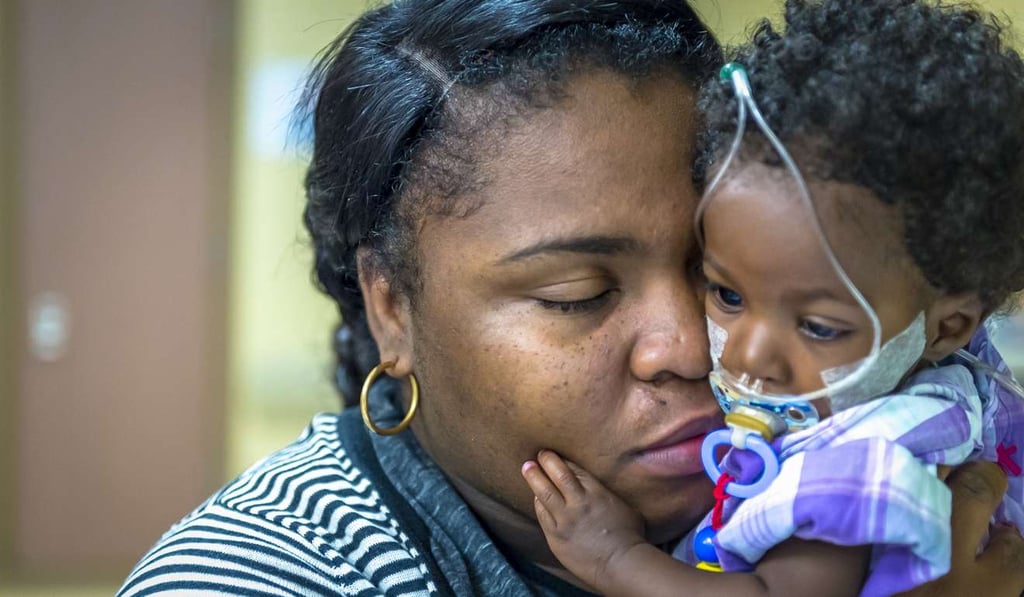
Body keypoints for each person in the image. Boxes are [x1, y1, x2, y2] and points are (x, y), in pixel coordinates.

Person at [118, 0, 1024, 595]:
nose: (692, 346)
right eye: (577, 292)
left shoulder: (854, 460)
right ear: (390, 306)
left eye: (715, 278)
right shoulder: (269, 575)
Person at [520, 0, 1024, 596]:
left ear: (946, 328)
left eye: (817, 326)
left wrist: (615, 558)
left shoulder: (857, 466)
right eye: (727, 294)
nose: (749, 355)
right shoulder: (938, 381)